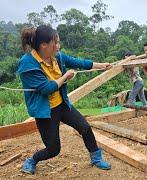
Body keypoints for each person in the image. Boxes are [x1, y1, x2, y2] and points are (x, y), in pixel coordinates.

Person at [17, 25, 112, 174]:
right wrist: (66, 76)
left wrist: (102, 65)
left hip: (62, 104)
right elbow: (46, 89)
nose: (58, 46)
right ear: (44, 45)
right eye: (55, 43)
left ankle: (96, 157)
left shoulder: (57, 56)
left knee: (85, 128)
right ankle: (32, 160)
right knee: (53, 149)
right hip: (45, 111)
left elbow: (78, 62)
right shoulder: (27, 64)